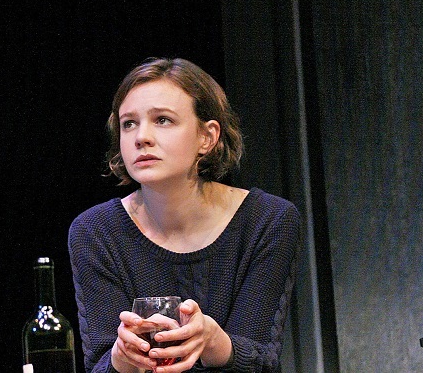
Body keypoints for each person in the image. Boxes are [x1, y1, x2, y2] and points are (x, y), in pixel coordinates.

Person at [68, 58, 301, 373]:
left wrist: (212, 341)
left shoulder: (267, 220)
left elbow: (261, 361)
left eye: (162, 120)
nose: (141, 137)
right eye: (129, 123)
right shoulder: (95, 231)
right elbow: (99, 363)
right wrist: (122, 358)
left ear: (207, 137)